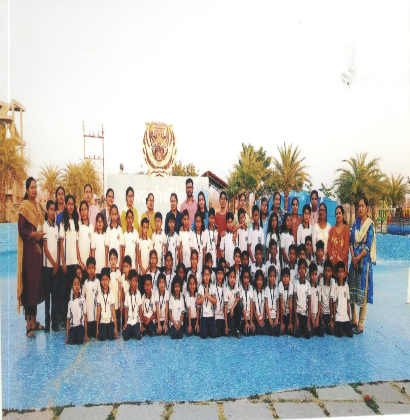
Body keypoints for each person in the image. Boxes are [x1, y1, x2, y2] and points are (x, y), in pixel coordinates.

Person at [17, 177, 46, 338]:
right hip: (28, 254)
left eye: (36, 187)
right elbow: (22, 230)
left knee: (35, 286)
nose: (35, 190)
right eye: (32, 187)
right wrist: (35, 235)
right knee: (28, 287)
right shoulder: (24, 206)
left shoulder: (37, 207)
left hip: (37, 254)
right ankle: (28, 325)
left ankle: (34, 321)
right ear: (27, 190)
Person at [348, 196, 376, 335]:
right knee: (351, 289)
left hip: (364, 264)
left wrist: (358, 258)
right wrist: (353, 257)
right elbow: (351, 242)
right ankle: (353, 319)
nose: (360, 208)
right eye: (359, 205)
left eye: (362, 206)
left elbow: (368, 246)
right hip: (354, 262)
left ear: (367, 208)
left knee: (362, 293)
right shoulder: (355, 224)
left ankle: (361, 324)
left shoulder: (370, 225)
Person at [59, 194, 79, 324]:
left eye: (73, 204)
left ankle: (74, 318)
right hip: (66, 264)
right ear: (66, 205)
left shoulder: (76, 222)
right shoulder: (63, 222)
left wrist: (78, 260)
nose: (71, 206)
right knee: (65, 292)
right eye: (69, 204)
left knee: (73, 291)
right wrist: (63, 262)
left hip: (74, 263)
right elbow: (61, 244)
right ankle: (64, 318)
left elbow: (76, 244)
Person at [43, 200, 59, 332]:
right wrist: (53, 264)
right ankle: (47, 322)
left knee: (55, 294)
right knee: (47, 295)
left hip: (55, 267)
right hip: (47, 267)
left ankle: (54, 322)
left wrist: (57, 263)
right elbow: (46, 249)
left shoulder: (56, 227)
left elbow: (58, 247)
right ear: (47, 211)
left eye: (54, 210)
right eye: (51, 209)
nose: (53, 212)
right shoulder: (45, 226)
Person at [328, 205, 350, 278]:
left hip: (342, 268)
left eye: (339, 213)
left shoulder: (346, 230)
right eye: (336, 214)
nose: (338, 215)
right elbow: (329, 246)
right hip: (333, 268)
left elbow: (346, 249)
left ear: (343, 215)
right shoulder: (332, 230)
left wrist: (337, 261)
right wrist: (332, 260)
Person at [65, 276, 88, 345]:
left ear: (80, 286)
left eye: (78, 284)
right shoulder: (70, 302)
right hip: (72, 327)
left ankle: (81, 335)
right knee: (71, 342)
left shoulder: (83, 300)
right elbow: (68, 320)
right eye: (75, 284)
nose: (77, 286)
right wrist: (67, 337)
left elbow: (85, 317)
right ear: (72, 287)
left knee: (80, 341)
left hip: (80, 326)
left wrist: (86, 335)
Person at [96, 267, 118, 341]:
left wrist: (116, 328)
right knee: (102, 338)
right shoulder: (99, 294)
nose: (105, 282)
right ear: (101, 281)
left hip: (110, 322)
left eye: (106, 279)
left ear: (109, 280)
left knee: (112, 337)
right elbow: (98, 312)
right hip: (103, 322)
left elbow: (113, 311)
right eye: (103, 280)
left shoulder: (111, 293)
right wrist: (97, 329)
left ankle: (111, 330)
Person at [333, 261, 353, 338]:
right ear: (336, 273)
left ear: (344, 273)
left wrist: (349, 317)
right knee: (340, 335)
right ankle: (338, 328)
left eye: (342, 272)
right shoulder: (335, 286)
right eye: (339, 272)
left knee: (350, 335)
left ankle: (344, 327)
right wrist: (334, 318)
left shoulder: (346, 286)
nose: (340, 274)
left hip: (345, 317)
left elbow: (347, 303)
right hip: (338, 317)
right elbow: (334, 303)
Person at [82, 257, 101, 338]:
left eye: (92, 268)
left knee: (96, 334)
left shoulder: (97, 282)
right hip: (88, 314)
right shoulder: (85, 283)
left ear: (95, 269)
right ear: (87, 269)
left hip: (95, 315)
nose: (91, 270)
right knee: (88, 334)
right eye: (89, 268)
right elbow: (83, 297)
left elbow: (100, 296)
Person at [197, 266, 217, 339]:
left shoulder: (212, 287)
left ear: (210, 276)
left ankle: (209, 328)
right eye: (205, 275)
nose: (206, 277)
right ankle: (206, 328)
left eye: (208, 275)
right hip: (204, 316)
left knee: (214, 335)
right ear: (202, 277)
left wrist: (208, 295)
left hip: (211, 315)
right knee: (203, 336)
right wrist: (204, 296)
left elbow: (215, 301)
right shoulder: (201, 287)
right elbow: (198, 302)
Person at [293, 259, 311, 339]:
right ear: (298, 270)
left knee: (308, 335)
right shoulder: (296, 283)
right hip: (298, 313)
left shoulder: (308, 285)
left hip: (305, 314)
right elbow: (294, 302)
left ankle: (303, 326)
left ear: (306, 270)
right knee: (297, 334)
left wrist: (308, 320)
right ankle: (298, 326)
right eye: (300, 268)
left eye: (304, 268)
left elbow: (309, 303)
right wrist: (296, 318)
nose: (302, 270)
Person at [122, 274, 143, 341]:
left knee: (138, 337)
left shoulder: (138, 293)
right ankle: (130, 331)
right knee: (125, 338)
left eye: (136, 281)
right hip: (129, 321)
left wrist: (141, 324)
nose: (135, 283)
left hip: (136, 321)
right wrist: (125, 323)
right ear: (130, 282)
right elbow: (126, 310)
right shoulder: (127, 294)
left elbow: (140, 309)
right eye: (134, 281)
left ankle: (134, 331)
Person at [105, 205, 124, 269]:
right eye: (112, 214)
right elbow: (107, 247)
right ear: (110, 215)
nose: (114, 216)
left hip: (118, 264)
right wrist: (106, 263)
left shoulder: (120, 229)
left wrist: (121, 263)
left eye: (115, 214)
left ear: (118, 215)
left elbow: (121, 248)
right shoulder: (108, 229)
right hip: (110, 263)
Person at [77, 201, 93, 276]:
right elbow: (76, 245)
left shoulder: (91, 227)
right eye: (82, 210)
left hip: (88, 266)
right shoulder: (78, 225)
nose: (83, 212)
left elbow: (91, 247)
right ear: (80, 212)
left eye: (85, 209)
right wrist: (80, 262)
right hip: (79, 264)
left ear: (88, 210)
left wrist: (89, 264)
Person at [224, 267, 241, 338]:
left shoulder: (236, 286)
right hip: (228, 313)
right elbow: (225, 309)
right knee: (230, 332)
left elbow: (238, 297)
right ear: (228, 278)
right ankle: (230, 327)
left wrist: (233, 308)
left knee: (240, 304)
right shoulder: (226, 290)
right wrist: (226, 326)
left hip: (233, 310)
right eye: (230, 277)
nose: (232, 279)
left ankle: (238, 329)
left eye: (234, 277)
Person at [108, 248, 122, 330]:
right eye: (111, 259)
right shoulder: (108, 273)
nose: (113, 261)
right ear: (109, 261)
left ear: (117, 261)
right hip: (110, 302)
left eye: (115, 259)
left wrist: (120, 302)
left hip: (117, 302)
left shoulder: (119, 273)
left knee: (118, 326)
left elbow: (120, 289)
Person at [309, 263, 324, 337]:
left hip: (316, 315)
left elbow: (319, 304)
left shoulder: (318, 288)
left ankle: (316, 324)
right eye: (312, 274)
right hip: (310, 316)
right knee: (310, 334)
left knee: (321, 334)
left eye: (315, 274)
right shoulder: (308, 287)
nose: (314, 277)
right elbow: (307, 305)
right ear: (309, 275)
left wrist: (317, 319)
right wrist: (312, 319)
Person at [320, 260, 334, 335]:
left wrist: (331, 320)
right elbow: (319, 300)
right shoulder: (321, 281)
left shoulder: (333, 282)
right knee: (321, 333)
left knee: (331, 332)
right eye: (325, 271)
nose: (327, 273)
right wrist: (321, 318)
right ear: (323, 271)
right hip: (322, 312)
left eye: (329, 271)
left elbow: (331, 300)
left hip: (329, 313)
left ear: (331, 272)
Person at [265, 266, 280, 337]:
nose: (272, 278)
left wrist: (277, 318)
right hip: (269, 317)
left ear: (276, 277)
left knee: (277, 333)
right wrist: (270, 319)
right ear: (268, 277)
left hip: (275, 316)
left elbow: (278, 304)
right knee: (271, 333)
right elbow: (266, 305)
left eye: (273, 276)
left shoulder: (277, 289)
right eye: (270, 276)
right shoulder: (266, 289)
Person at [240, 267, 254, 336]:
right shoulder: (240, 288)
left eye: (247, 278)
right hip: (243, 318)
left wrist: (251, 321)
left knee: (253, 332)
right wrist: (246, 322)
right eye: (244, 277)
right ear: (242, 278)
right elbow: (241, 306)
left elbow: (251, 305)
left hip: (249, 317)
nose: (246, 280)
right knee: (246, 333)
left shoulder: (250, 287)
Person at [91, 213, 106, 278]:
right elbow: (93, 253)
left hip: (104, 267)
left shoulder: (106, 235)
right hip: (96, 269)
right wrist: (93, 268)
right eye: (98, 221)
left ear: (104, 223)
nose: (100, 223)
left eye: (101, 221)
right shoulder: (94, 236)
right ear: (96, 223)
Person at [279, 268, 293, 335]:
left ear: (289, 278)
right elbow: (281, 305)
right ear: (282, 278)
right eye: (284, 276)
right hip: (282, 313)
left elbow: (290, 305)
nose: (286, 278)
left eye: (287, 276)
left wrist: (290, 323)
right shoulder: (280, 285)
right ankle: (281, 322)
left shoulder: (291, 286)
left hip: (288, 312)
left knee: (290, 332)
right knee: (281, 331)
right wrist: (281, 323)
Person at [253, 270, 266, 335]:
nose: (259, 282)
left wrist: (262, 320)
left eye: (261, 280)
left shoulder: (264, 292)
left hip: (263, 318)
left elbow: (265, 308)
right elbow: (253, 309)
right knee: (258, 332)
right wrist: (258, 321)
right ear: (255, 281)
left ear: (263, 281)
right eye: (258, 280)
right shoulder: (254, 292)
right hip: (257, 318)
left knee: (264, 332)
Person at [215, 191, 228, 259]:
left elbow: (232, 230)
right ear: (219, 201)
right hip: (219, 248)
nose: (223, 201)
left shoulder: (229, 214)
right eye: (221, 199)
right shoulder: (217, 215)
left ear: (226, 201)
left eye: (224, 199)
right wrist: (219, 235)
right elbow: (214, 232)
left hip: (227, 247)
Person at [214, 265, 226, 336]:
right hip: (216, 315)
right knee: (217, 333)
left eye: (221, 274)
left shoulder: (225, 287)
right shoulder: (213, 287)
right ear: (216, 275)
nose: (219, 276)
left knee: (224, 333)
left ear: (223, 275)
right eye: (218, 273)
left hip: (223, 315)